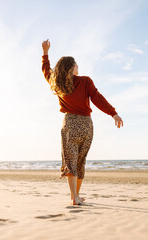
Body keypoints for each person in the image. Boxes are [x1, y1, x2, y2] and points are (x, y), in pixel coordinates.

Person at [41, 39, 123, 205]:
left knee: (70, 161)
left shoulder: (56, 83)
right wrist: (113, 113)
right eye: (76, 65)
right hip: (86, 125)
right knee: (80, 161)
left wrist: (45, 52)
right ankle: (76, 196)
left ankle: (74, 197)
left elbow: (46, 71)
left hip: (70, 124)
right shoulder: (85, 81)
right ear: (72, 67)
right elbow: (97, 98)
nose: (79, 67)